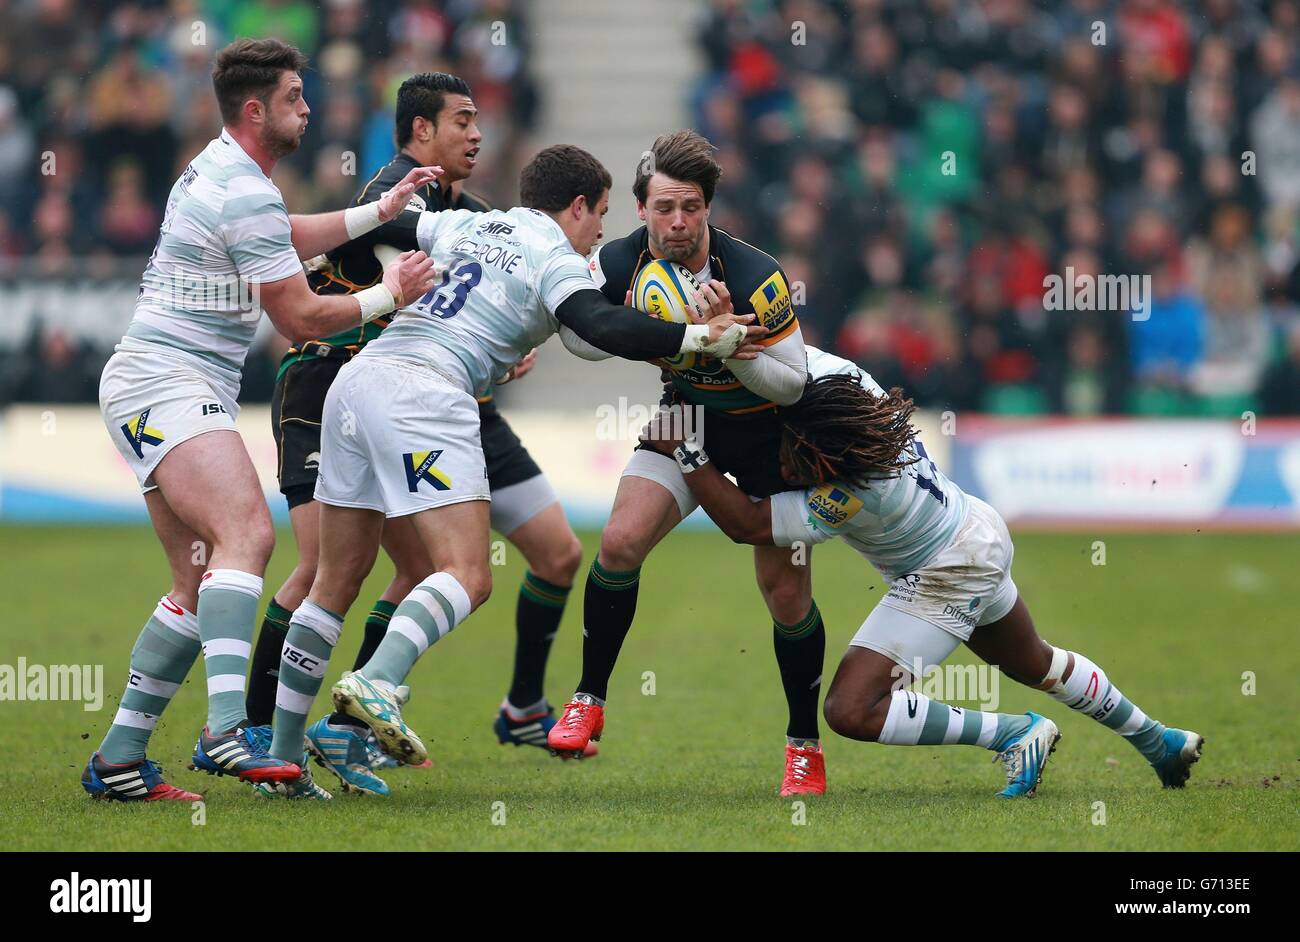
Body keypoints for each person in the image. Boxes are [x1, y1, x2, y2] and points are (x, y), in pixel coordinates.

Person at [261, 144, 765, 797]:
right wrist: (697, 340)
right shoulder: (556, 257)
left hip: (358, 385)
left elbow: (378, 224)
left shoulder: (468, 222)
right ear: (577, 205)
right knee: (468, 575)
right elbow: (598, 324)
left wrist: (291, 229)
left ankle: (280, 761)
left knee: (335, 579)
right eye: (601, 214)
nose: (602, 231)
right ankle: (377, 681)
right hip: (428, 395)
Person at [82, 38, 440, 802]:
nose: (307, 110)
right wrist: (390, 296)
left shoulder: (230, 171)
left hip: (153, 380)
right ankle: (221, 732)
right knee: (248, 537)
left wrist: (379, 210)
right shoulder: (241, 189)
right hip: (165, 380)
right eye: (294, 98)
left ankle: (117, 759)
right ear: (257, 110)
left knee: (196, 573)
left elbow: (282, 233)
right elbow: (305, 316)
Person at [241, 73, 590, 798]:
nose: (477, 134)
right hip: (338, 377)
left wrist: (504, 338)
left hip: (434, 384)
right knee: (333, 571)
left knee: (529, 555)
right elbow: (400, 277)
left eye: (479, 120)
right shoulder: (397, 193)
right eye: (462, 120)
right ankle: (260, 735)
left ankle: (347, 725)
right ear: (419, 132)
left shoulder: (482, 214)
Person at [644, 346, 1205, 797]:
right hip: (973, 530)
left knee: (850, 708)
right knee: (1033, 660)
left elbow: (746, 524)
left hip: (946, 572)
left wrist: (689, 453)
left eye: (794, 456)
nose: (783, 464)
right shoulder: (850, 391)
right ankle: (1159, 740)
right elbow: (788, 357)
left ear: (828, 463)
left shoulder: (851, 490)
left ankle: (1013, 733)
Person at [544, 131, 828, 796]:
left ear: (708, 210)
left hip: (772, 437)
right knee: (618, 542)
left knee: (787, 596)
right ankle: (588, 701)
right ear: (640, 208)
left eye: (692, 208)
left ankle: (803, 747)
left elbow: (791, 383)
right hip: (687, 420)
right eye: (664, 207)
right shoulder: (619, 262)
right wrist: (651, 340)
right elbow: (577, 336)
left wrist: (728, 346)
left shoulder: (756, 275)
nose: (678, 222)